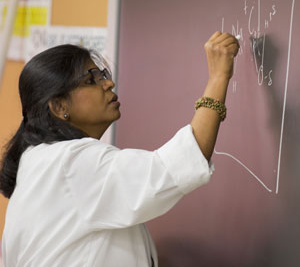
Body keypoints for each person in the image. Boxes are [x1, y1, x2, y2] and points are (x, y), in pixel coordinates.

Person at [0, 31, 239, 266]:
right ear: (59, 105)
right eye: (91, 79)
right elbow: (177, 165)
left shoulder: (38, 161)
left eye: (102, 74)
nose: (109, 83)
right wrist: (218, 78)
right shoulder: (70, 163)